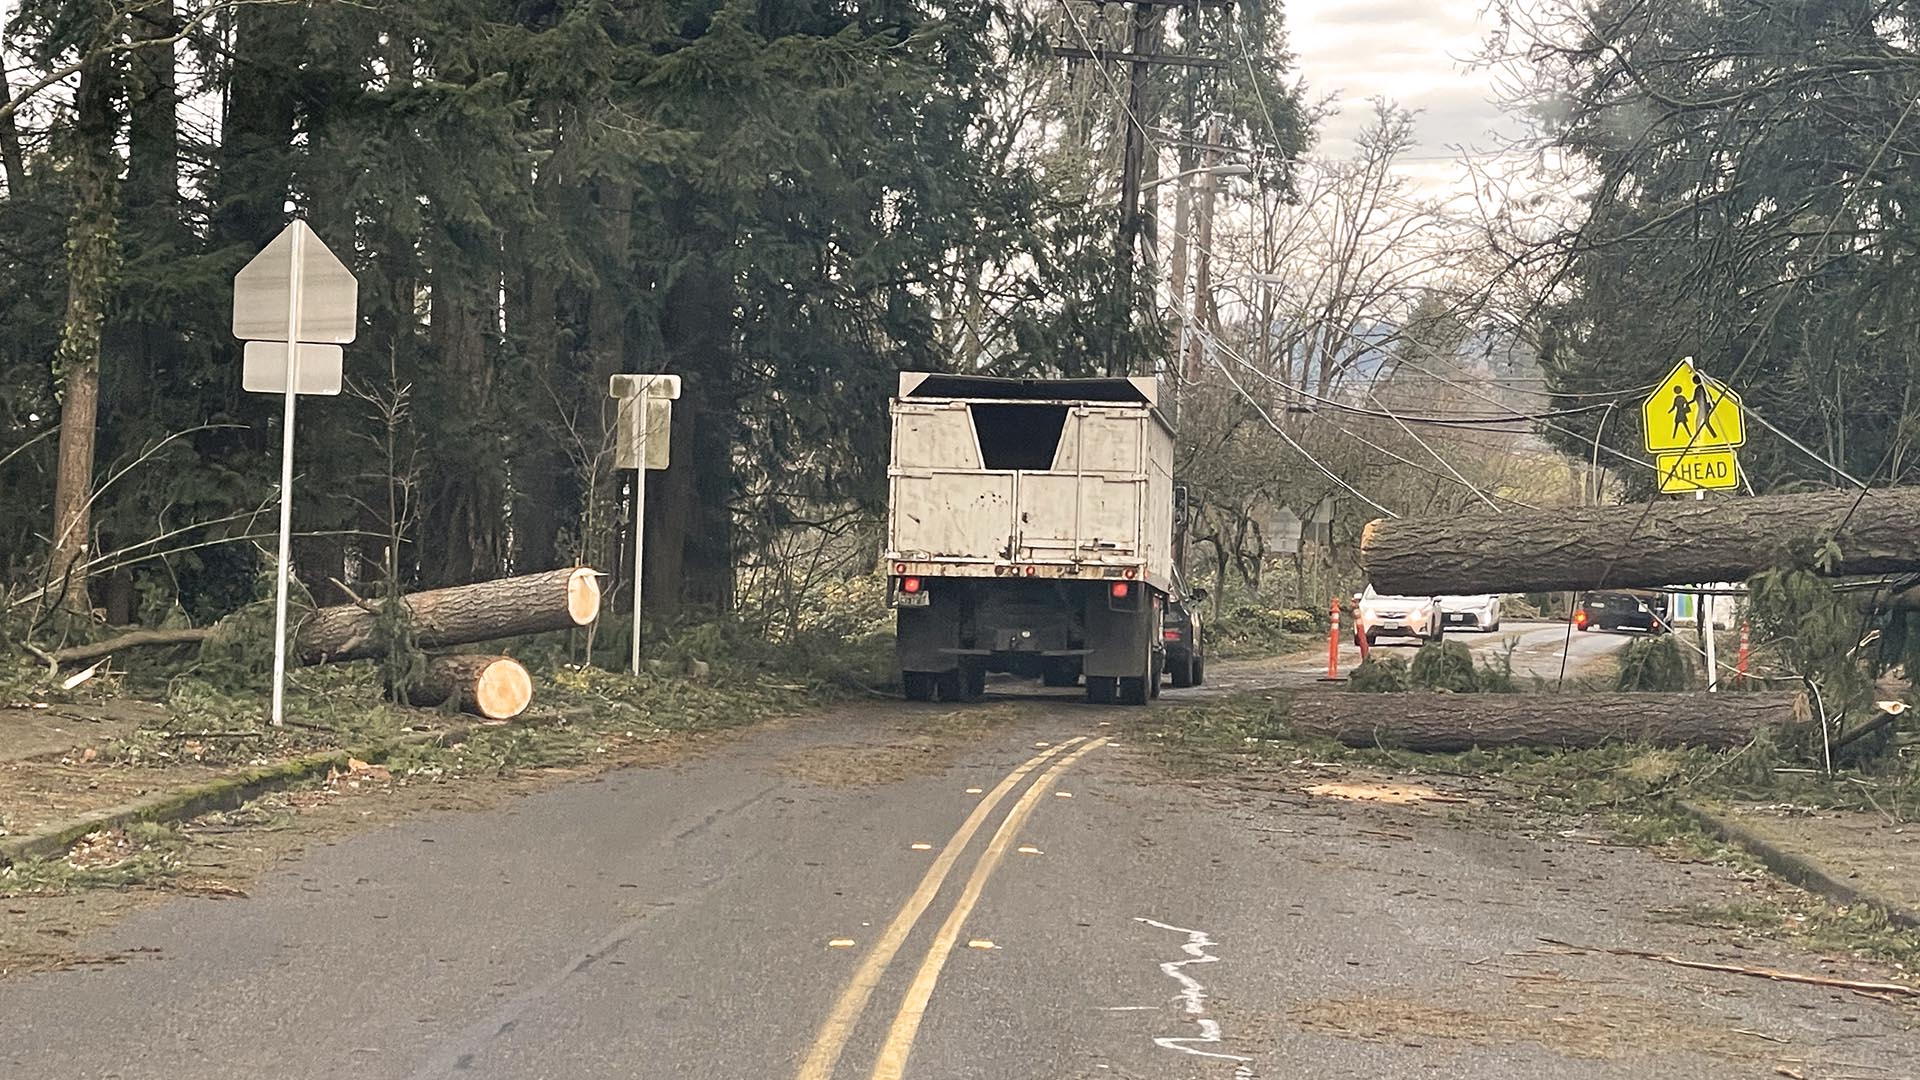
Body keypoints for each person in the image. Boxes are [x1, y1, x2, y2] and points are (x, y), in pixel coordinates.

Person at [1691, 373, 1720, 439]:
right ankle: (1713, 436)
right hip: (1702, 408)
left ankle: (1699, 437)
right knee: (1705, 422)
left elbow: (1709, 397)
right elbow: (1694, 399)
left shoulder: (1700, 389)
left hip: (1703, 408)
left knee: (1700, 422)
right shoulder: (1701, 388)